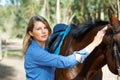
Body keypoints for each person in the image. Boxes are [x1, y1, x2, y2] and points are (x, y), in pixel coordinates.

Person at [23, 15, 107, 80]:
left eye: (45, 27)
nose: (44, 31)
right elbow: (66, 62)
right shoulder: (36, 52)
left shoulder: (42, 48)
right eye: (38, 29)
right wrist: (94, 43)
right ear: (31, 33)